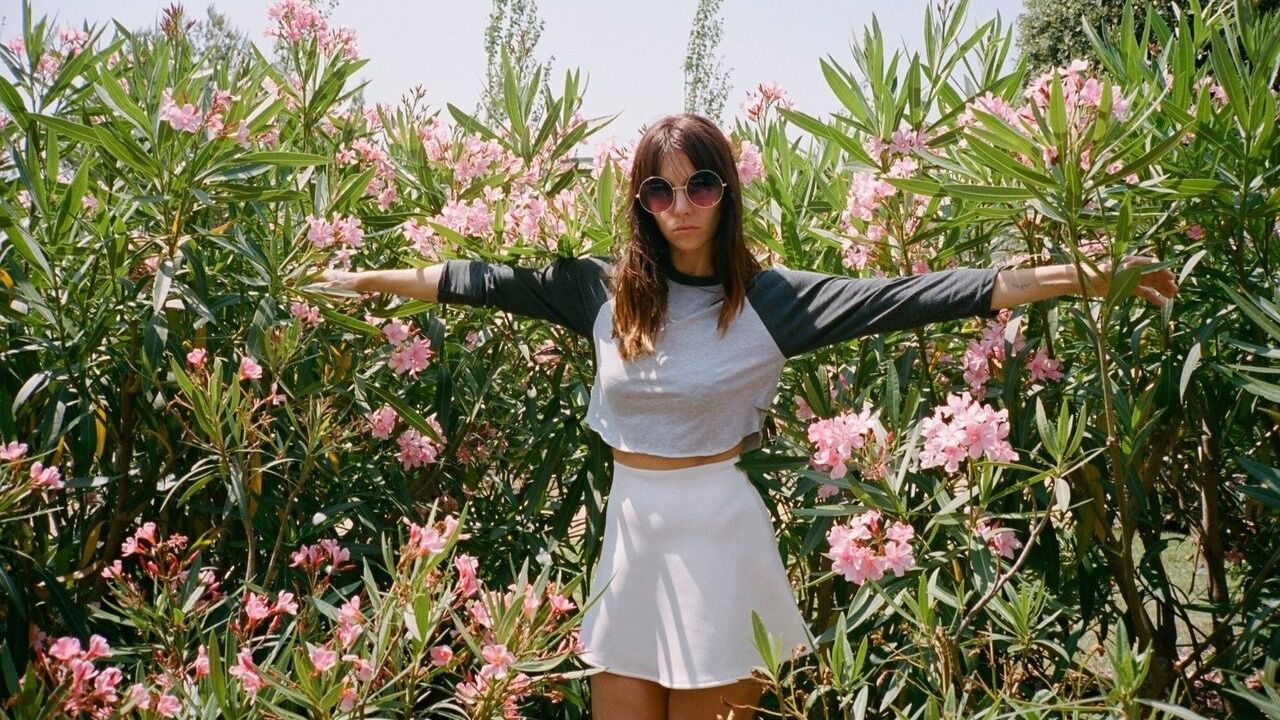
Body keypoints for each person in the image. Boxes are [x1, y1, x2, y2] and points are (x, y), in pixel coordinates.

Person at [313, 113, 1178, 720]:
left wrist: (1088, 274)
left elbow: (923, 294)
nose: (681, 205)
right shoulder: (600, 291)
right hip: (631, 539)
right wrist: (360, 280)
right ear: (640, 203)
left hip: (719, 543)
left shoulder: (771, 302)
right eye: (659, 191)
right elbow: (472, 281)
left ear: (726, 190)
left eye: (700, 184)